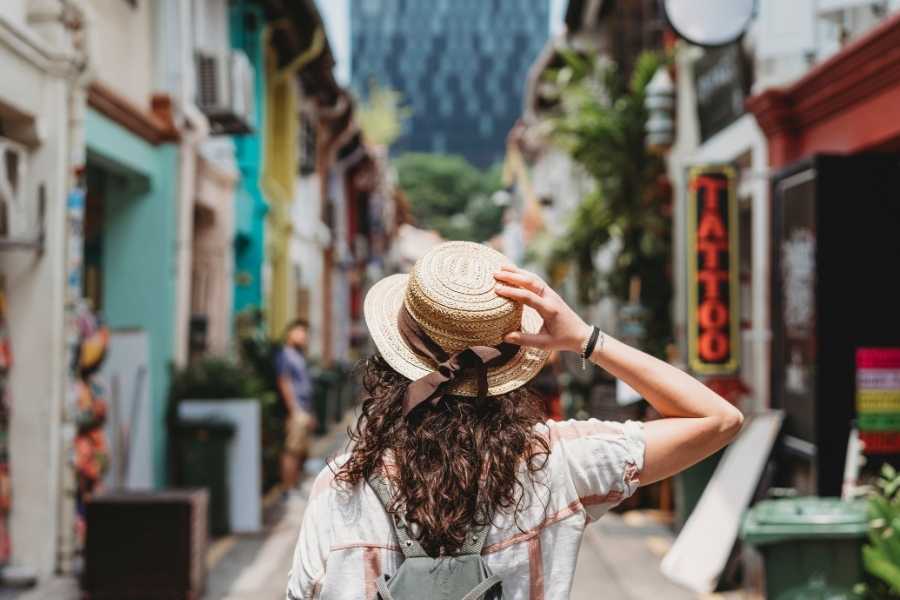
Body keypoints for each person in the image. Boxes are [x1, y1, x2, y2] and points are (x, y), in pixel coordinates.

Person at [287, 242, 743, 599]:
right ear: (509, 372)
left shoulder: (340, 489)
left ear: (392, 362)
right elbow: (718, 418)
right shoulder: (556, 463)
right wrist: (585, 338)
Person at [276, 318, 315, 494]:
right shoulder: (285, 354)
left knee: (302, 450)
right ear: (290, 333)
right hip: (297, 409)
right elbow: (284, 381)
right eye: (300, 331)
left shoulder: (299, 355)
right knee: (292, 449)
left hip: (304, 408)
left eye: (305, 332)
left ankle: (295, 483)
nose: (304, 336)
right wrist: (294, 409)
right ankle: (287, 488)